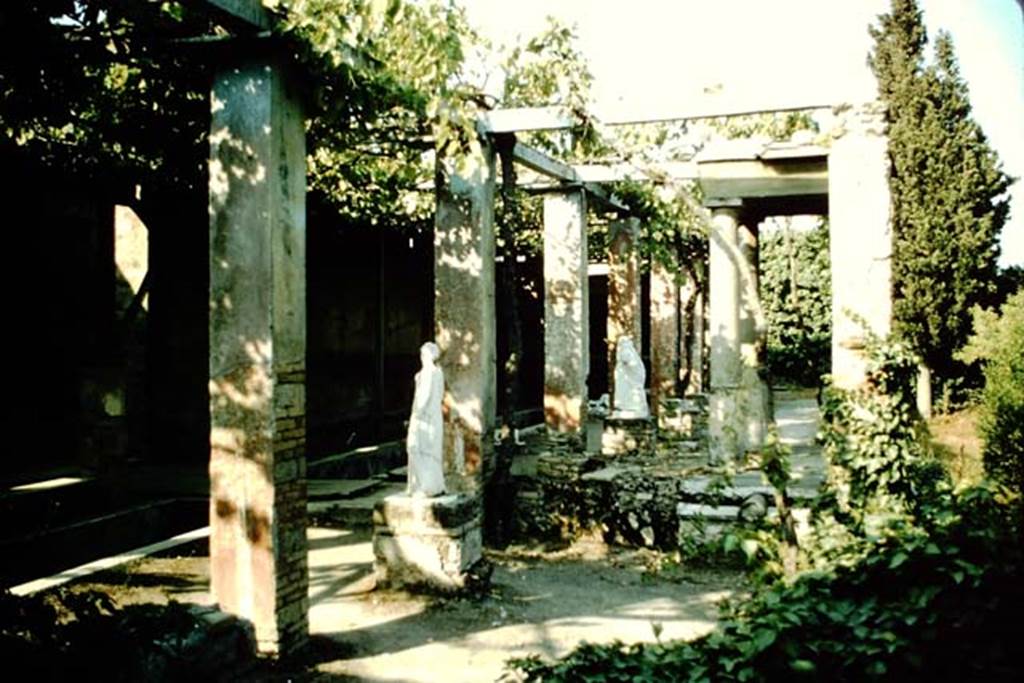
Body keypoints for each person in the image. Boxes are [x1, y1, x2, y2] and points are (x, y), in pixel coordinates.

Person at [407, 341, 446, 496]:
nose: (421, 357)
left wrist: (417, 414)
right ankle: (430, 484)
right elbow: (440, 395)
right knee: (430, 450)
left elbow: (423, 397)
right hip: (434, 416)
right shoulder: (438, 373)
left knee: (416, 447)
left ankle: (425, 485)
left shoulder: (428, 373)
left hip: (424, 417)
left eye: (423, 354)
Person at [612, 336, 649, 419]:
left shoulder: (626, 351)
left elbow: (627, 360)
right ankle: (627, 407)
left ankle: (631, 407)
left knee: (629, 394)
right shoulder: (630, 352)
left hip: (629, 381)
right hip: (627, 380)